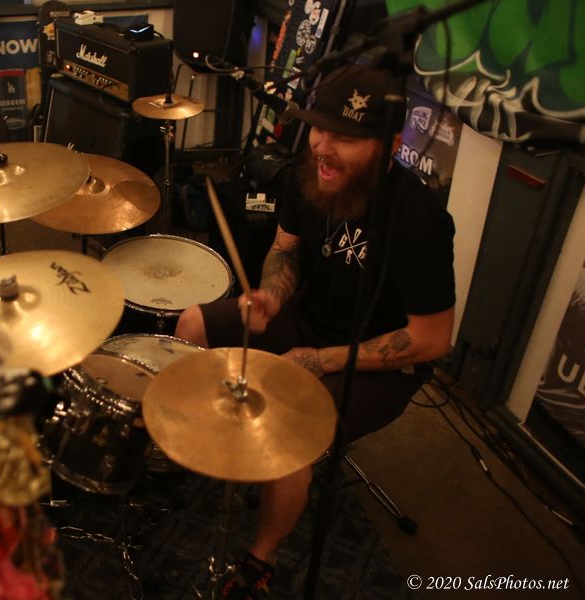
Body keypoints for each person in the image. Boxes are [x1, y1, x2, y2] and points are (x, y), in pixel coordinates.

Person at [175, 63, 456, 598]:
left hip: (380, 363)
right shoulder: (311, 173)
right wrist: (271, 297)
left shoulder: (419, 221)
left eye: (344, 137)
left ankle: (261, 558)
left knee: (287, 436)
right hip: (308, 318)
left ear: (391, 147)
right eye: (319, 129)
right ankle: (207, 442)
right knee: (192, 323)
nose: (323, 148)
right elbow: (285, 249)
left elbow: (431, 340)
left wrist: (320, 360)